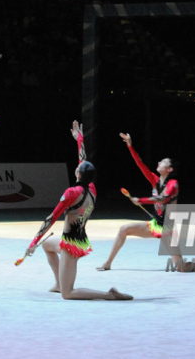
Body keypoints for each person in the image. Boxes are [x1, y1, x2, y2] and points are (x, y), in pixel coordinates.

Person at [24, 121, 132, 300]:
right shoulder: (92, 189)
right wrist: (79, 139)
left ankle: (108, 294)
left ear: (78, 174)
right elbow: (82, 159)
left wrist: (31, 243)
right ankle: (59, 283)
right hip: (79, 237)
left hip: (71, 244)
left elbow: (51, 218)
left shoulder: (72, 193)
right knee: (47, 246)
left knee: (68, 293)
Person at [97, 132, 195, 272]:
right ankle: (107, 263)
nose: (159, 162)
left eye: (164, 162)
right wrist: (130, 146)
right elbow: (139, 164)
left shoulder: (173, 184)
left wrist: (140, 200)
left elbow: (163, 198)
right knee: (124, 229)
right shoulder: (155, 181)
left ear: (169, 169)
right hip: (155, 225)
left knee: (181, 267)